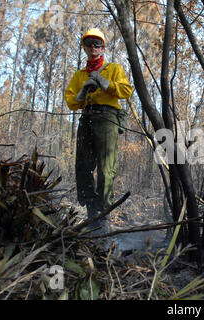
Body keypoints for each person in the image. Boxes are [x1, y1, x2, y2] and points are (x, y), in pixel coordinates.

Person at [64, 28, 133, 235]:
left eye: (97, 44)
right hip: (87, 117)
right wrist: (83, 92)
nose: (93, 48)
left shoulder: (113, 68)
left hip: (107, 118)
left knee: (106, 168)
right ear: (84, 47)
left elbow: (126, 90)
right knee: (83, 167)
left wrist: (105, 84)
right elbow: (70, 101)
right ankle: (90, 213)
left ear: (103, 47)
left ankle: (103, 217)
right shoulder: (79, 75)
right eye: (89, 44)